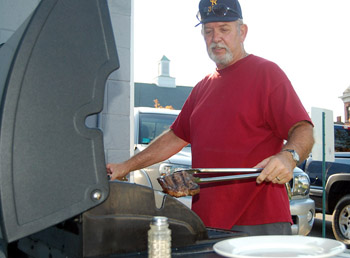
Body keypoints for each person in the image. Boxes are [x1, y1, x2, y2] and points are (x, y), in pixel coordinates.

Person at [107, 0, 314, 236]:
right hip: (206, 222)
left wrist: (289, 156)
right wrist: (125, 166)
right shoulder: (202, 87)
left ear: (242, 31)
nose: (215, 38)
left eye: (224, 29)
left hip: (259, 222)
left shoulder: (267, 74)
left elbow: (302, 127)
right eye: (208, 31)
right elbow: (175, 137)